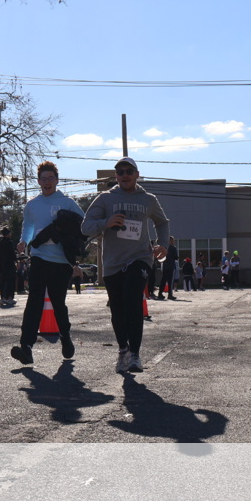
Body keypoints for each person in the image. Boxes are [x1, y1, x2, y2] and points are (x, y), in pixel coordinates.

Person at [82, 156, 170, 374]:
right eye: (120, 172)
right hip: (113, 262)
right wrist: (106, 222)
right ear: (116, 176)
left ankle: (135, 355)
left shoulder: (148, 199)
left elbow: (162, 222)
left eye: (129, 171)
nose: (124, 175)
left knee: (132, 300)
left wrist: (163, 244)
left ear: (137, 174)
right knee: (118, 309)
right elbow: (85, 227)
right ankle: (123, 350)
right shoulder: (105, 199)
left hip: (140, 258)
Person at [11, 160, 85, 365]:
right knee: (34, 302)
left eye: (51, 178)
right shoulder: (32, 205)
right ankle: (26, 346)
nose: (47, 182)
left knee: (57, 302)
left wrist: (66, 231)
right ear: (38, 181)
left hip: (61, 261)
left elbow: (83, 224)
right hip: (39, 257)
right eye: (43, 179)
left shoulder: (67, 203)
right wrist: (24, 241)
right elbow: (28, 225)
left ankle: (65, 336)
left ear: (57, 180)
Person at [0, 227, 17, 307]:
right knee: (10, 282)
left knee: (2, 282)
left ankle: (2, 298)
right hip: (9, 265)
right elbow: (12, 254)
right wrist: (15, 259)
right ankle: (10, 297)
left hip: (1, 265)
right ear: (8, 234)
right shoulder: (9, 242)